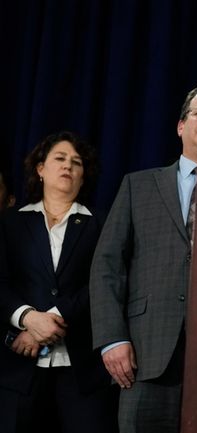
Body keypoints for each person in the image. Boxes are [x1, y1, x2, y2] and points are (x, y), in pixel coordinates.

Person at [89, 82, 197, 432]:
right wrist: (113, 338)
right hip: (145, 354)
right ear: (181, 126)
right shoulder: (138, 186)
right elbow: (107, 266)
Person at [0, 131, 117, 432]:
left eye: (76, 163)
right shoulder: (10, 222)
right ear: (40, 169)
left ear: (83, 176)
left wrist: (53, 318)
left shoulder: (103, 222)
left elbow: (105, 281)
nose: (68, 166)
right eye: (60, 159)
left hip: (83, 372)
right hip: (19, 367)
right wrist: (26, 318)